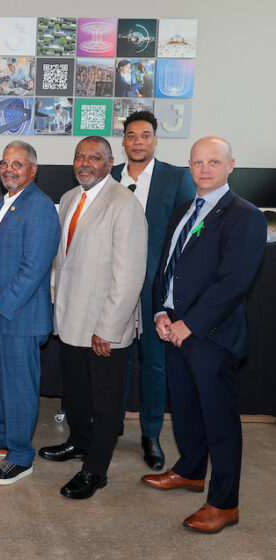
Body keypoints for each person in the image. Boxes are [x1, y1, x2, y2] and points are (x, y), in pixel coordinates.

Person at [142, 137, 266, 533]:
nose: (205, 169)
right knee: (186, 408)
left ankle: (224, 503)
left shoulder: (245, 215)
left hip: (210, 334)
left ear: (232, 165)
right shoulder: (184, 209)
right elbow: (167, 268)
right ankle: (191, 470)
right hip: (174, 328)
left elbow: (234, 283)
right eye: (197, 162)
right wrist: (161, 310)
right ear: (189, 166)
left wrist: (189, 324)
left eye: (214, 161)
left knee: (219, 420)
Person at [39, 136, 147, 499]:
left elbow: (129, 275)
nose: (85, 163)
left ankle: (95, 471)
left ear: (110, 162)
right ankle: (79, 443)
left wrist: (109, 328)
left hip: (104, 328)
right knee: (78, 396)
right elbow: (65, 265)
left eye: (95, 158)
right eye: (80, 157)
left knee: (105, 404)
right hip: (70, 321)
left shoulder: (124, 204)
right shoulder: (70, 199)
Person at [0, 141, 60, 485]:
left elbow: (34, 268)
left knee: (19, 387)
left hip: (18, 316)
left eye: (17, 164)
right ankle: (2, 438)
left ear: (32, 170)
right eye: (5, 163)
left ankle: (20, 456)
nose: (9, 169)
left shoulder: (40, 208)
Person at [111, 111, 195, 470]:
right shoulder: (109, 176)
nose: (138, 141)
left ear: (155, 140)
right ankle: (110, 427)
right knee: (114, 361)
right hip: (114, 288)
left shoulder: (176, 178)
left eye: (145, 135)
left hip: (155, 292)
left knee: (153, 365)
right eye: (132, 135)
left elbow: (189, 236)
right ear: (124, 141)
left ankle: (150, 434)